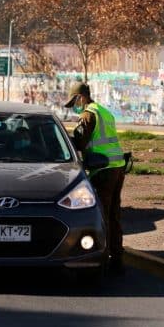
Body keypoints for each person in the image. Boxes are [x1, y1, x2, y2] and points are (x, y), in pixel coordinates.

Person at [65, 81, 127, 274]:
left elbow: (80, 141)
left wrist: (63, 139)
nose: (74, 107)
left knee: (102, 214)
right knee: (114, 214)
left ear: (81, 97)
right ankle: (117, 257)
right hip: (117, 166)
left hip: (103, 169)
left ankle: (104, 257)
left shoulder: (88, 114)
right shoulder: (104, 111)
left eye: (74, 102)